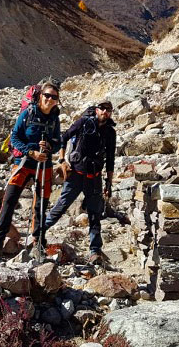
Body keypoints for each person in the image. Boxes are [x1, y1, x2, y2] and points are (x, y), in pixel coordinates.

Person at [0, 80, 62, 262]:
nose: (50, 99)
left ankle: (38, 244)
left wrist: (49, 146)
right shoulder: (28, 114)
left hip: (44, 164)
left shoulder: (54, 119)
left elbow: (59, 143)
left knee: (40, 206)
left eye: (54, 97)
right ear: (40, 96)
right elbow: (15, 138)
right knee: (9, 201)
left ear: (57, 100)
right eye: (47, 95)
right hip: (24, 162)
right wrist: (31, 151)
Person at [44, 100, 116, 264]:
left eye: (108, 110)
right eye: (102, 108)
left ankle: (95, 251)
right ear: (97, 110)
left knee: (95, 214)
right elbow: (64, 137)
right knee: (61, 206)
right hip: (75, 174)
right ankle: (38, 234)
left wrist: (109, 183)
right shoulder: (84, 122)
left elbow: (110, 159)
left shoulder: (110, 132)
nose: (105, 112)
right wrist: (62, 160)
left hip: (95, 176)